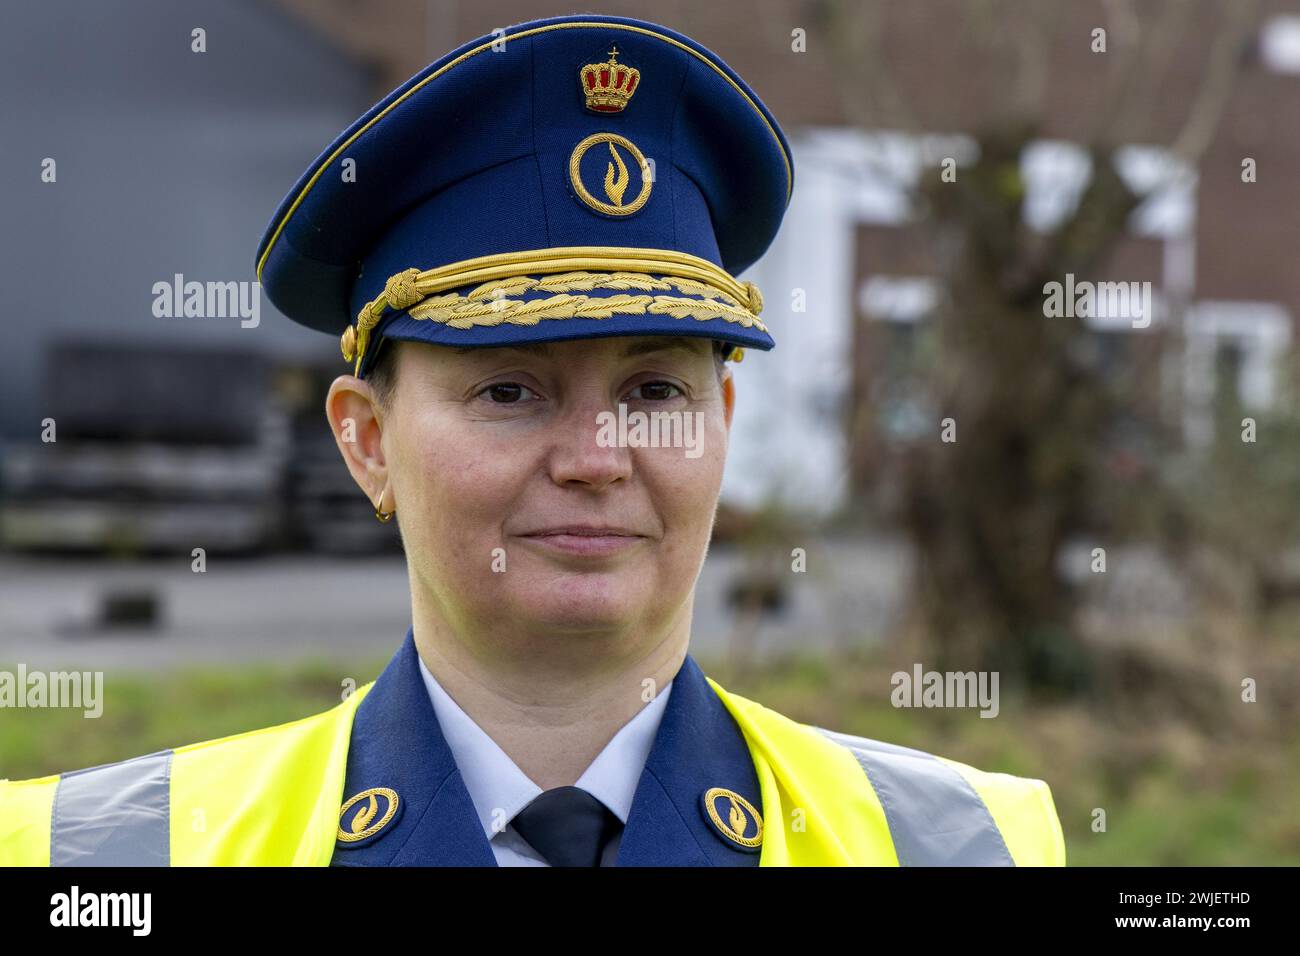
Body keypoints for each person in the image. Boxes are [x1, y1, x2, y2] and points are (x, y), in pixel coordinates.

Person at [0, 13, 1064, 867]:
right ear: (366, 441)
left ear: (722, 424)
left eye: (653, 388)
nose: (597, 455)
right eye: (510, 389)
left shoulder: (974, 844)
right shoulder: (93, 857)